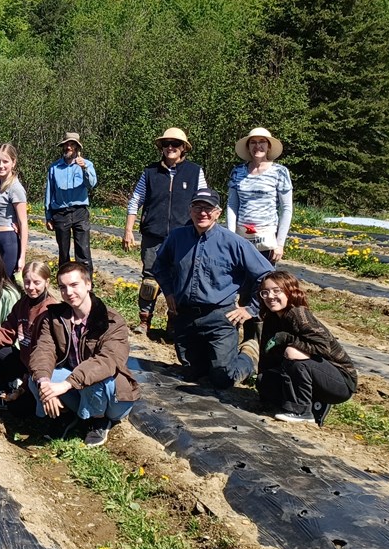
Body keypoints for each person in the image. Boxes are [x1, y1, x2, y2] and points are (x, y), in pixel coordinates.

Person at [152, 188, 274, 388]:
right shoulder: (177, 237)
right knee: (193, 372)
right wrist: (169, 292)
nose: (202, 213)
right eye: (197, 207)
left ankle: (249, 354)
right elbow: (159, 266)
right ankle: (206, 361)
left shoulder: (234, 242)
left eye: (208, 208)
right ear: (190, 210)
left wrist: (251, 308)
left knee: (222, 378)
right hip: (185, 316)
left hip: (220, 318)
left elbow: (267, 275)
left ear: (218, 213)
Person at [27, 262, 140, 447]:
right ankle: (64, 416)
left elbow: (107, 361)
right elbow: (43, 350)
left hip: (112, 395)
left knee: (94, 377)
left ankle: (99, 421)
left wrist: (66, 384)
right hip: (77, 386)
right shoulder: (54, 317)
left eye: (74, 285)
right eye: (62, 287)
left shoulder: (111, 321)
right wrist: (46, 385)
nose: (68, 292)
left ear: (88, 284)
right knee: (37, 378)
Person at [122, 127, 208, 336]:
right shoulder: (150, 172)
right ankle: (144, 320)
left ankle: (174, 323)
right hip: (153, 235)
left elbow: (204, 201)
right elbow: (135, 200)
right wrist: (128, 229)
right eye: (166, 144)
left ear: (183, 148)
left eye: (175, 144)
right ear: (161, 147)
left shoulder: (195, 171)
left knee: (180, 280)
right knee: (150, 279)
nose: (170, 147)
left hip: (184, 237)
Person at [257, 271, 357, 424]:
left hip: (340, 382)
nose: (270, 296)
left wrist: (290, 342)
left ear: (290, 292)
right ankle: (313, 403)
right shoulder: (271, 319)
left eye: (277, 291)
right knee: (265, 380)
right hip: (312, 373)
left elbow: (323, 348)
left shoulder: (298, 314)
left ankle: (302, 412)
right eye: (265, 292)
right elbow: (266, 356)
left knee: (295, 359)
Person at [0, 259, 58, 409]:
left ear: (47, 283)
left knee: (18, 409)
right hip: (24, 362)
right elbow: (8, 330)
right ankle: (6, 387)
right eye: (27, 282)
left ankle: (18, 390)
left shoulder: (50, 311)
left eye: (37, 283)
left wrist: (28, 381)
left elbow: (46, 355)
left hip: (42, 370)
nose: (31, 287)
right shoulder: (22, 304)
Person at [226, 127, 294, 264]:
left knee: (264, 281)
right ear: (248, 147)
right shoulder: (238, 171)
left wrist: (280, 243)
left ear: (268, 146)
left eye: (262, 142)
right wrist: (231, 237)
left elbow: (286, 209)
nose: (258, 146)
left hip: (267, 238)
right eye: (253, 142)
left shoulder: (280, 172)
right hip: (242, 237)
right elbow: (232, 205)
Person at [44, 133, 98, 270]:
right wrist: (48, 216)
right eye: (67, 145)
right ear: (63, 147)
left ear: (77, 147)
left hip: (80, 212)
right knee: (63, 252)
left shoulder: (87, 164)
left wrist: (84, 168)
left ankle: (87, 286)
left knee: (83, 252)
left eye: (72, 144)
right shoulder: (54, 168)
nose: (69, 147)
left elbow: (91, 184)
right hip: (60, 213)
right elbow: (49, 193)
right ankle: (65, 283)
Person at [0, 143, 28, 278]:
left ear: (13, 162)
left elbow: (23, 223)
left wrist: (22, 256)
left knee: (5, 284)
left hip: (7, 241)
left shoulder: (15, 187)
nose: (1, 165)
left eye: (5, 161)